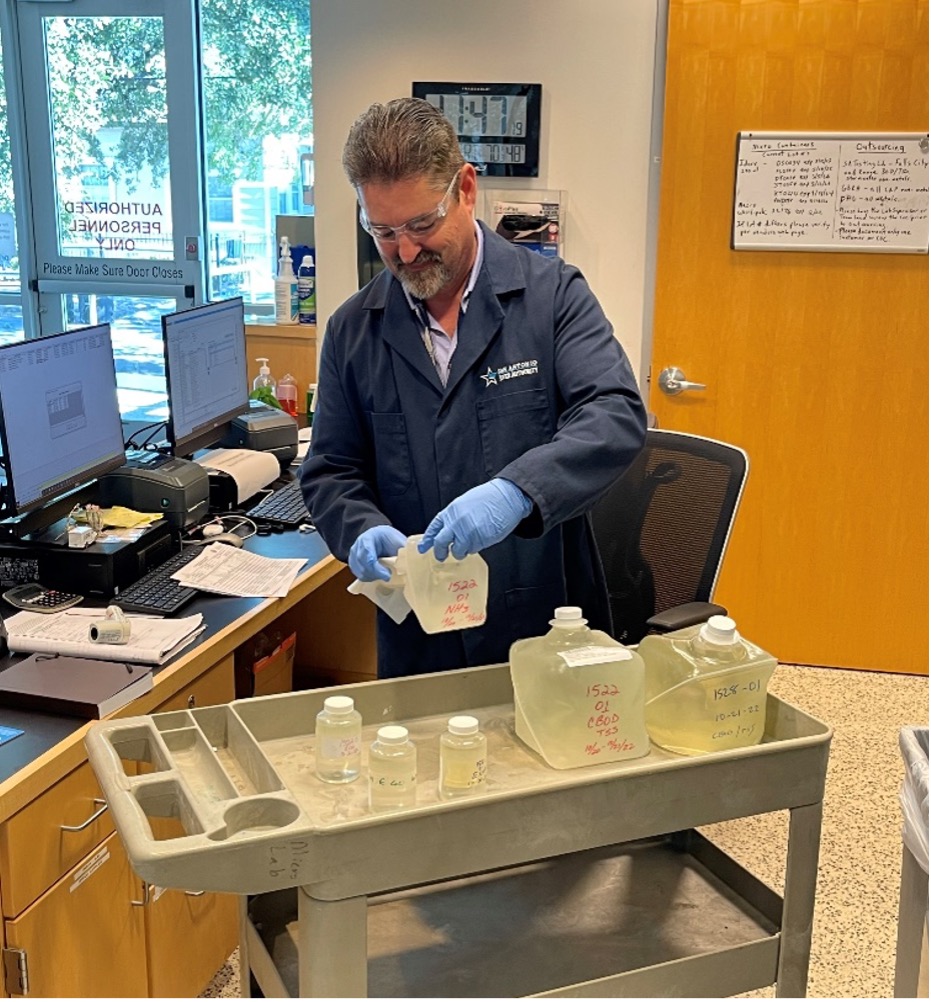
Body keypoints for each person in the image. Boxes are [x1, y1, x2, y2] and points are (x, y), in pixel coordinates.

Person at [300, 97, 647, 678]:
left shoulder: (552, 297)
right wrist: (361, 528)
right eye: (381, 231)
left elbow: (614, 413)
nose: (405, 252)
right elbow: (333, 468)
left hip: (542, 622)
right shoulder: (352, 330)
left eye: (421, 224)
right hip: (420, 638)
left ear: (465, 189)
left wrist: (517, 492)